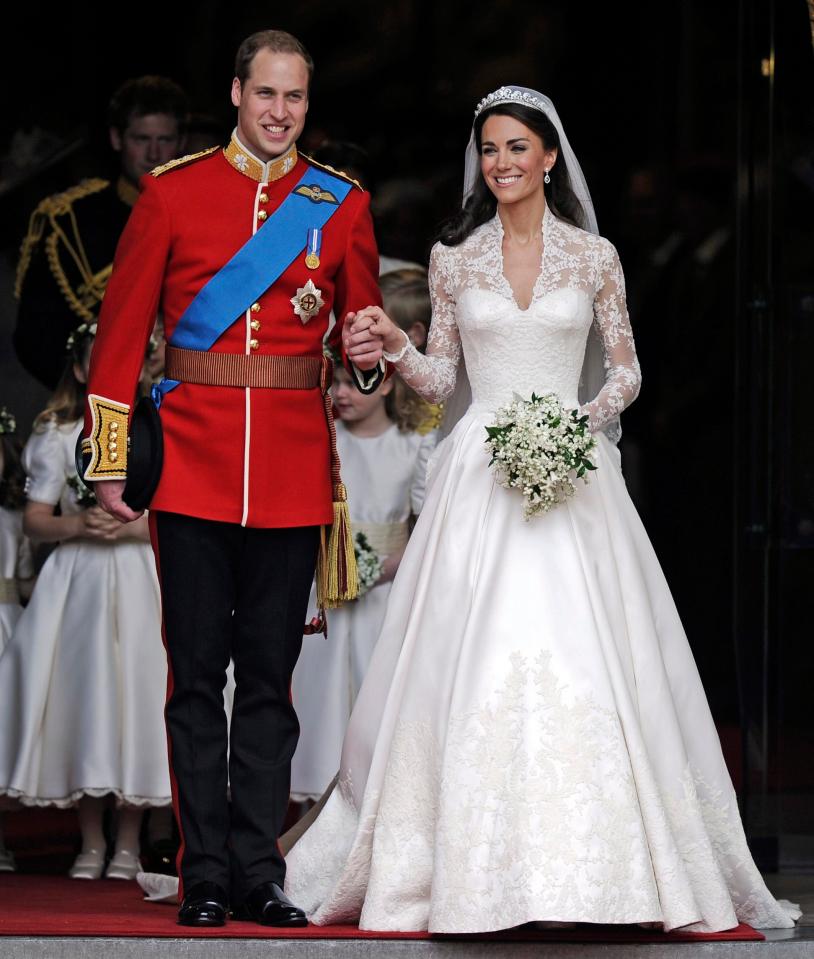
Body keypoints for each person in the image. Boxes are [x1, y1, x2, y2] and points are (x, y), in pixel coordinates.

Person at [279, 87, 800, 933]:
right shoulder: (455, 259)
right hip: (479, 474)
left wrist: (577, 425)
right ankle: (466, 871)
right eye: (490, 150)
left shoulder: (595, 257)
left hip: (571, 469)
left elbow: (626, 373)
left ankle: (600, 873)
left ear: (550, 158)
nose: (503, 164)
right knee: (470, 654)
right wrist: (398, 345)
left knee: (590, 653)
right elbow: (445, 382)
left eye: (518, 148)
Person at [82, 29, 384, 928]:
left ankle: (260, 869)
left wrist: (367, 362)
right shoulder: (173, 194)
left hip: (291, 472)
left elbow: (357, 345)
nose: (281, 113)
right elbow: (120, 332)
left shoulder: (343, 204)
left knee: (269, 679)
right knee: (193, 677)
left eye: (295, 98)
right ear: (236, 94)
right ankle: (202, 869)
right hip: (191, 471)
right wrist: (108, 461)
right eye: (266, 95)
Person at [0, 324, 171, 881]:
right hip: (78, 583)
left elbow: (175, 515)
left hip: (140, 576)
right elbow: (34, 520)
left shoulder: (155, 428)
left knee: (136, 697)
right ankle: (90, 838)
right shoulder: (56, 435)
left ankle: (129, 839)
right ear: (79, 372)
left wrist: (131, 530)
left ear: (143, 367)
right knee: (83, 698)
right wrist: (77, 523)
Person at [291, 356, 437, 802]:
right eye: (334, 383)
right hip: (326, 591)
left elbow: (427, 528)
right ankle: (313, 801)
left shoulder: (415, 446)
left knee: (377, 696)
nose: (341, 394)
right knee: (320, 697)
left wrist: (379, 569)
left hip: (384, 594)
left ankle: (373, 803)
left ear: (388, 385)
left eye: (353, 384)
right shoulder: (323, 442)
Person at [14, 76, 188, 389]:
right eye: (141, 139)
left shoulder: (207, 214)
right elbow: (35, 334)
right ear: (116, 138)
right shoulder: (71, 222)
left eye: (164, 140)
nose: (153, 153)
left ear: (181, 143)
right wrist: (91, 377)